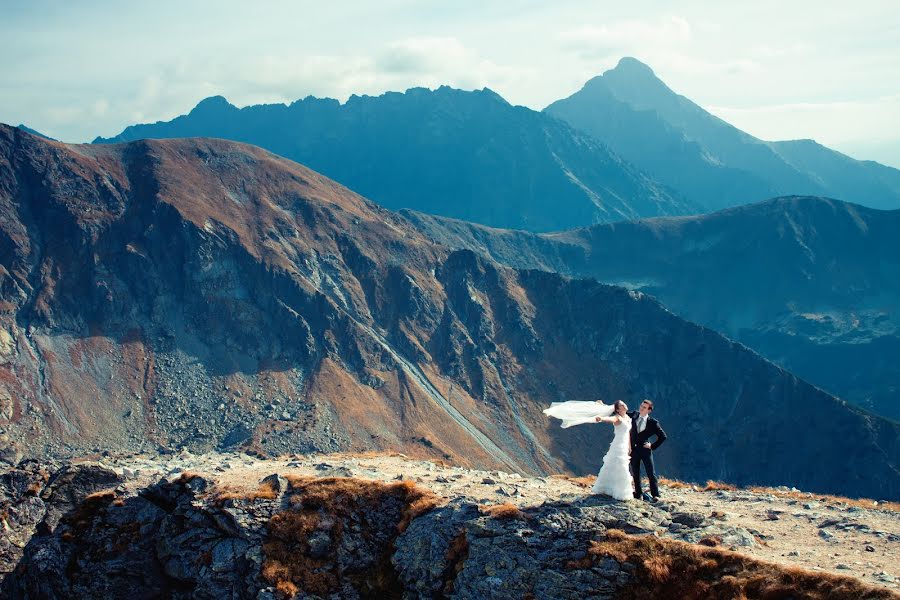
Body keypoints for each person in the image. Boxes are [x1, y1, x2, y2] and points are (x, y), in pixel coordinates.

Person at [543, 399, 634, 501]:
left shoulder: (627, 418)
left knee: (617, 466)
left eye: (623, 403)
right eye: (622, 405)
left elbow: (628, 434)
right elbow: (610, 419)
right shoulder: (618, 418)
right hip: (618, 445)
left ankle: (611, 488)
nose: (624, 405)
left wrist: (629, 446)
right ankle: (620, 492)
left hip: (623, 444)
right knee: (620, 466)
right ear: (617, 409)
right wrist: (602, 418)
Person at [628, 399, 667, 502]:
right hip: (634, 450)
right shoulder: (634, 415)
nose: (641, 408)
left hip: (645, 450)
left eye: (644, 407)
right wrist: (607, 407)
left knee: (650, 473)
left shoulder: (653, 422)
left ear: (649, 410)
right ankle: (638, 494)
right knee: (635, 473)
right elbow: (621, 412)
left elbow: (663, 436)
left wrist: (652, 446)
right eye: (641, 406)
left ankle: (655, 495)